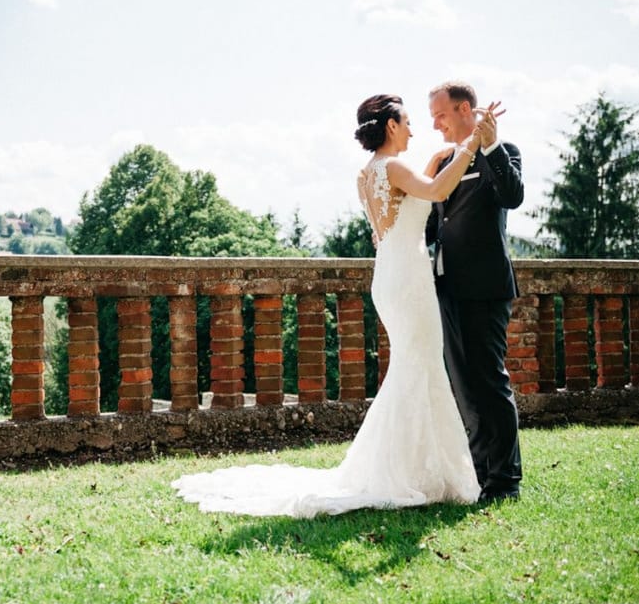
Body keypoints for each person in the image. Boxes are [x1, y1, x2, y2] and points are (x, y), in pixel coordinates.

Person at [172, 94, 493, 516]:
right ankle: (411, 472)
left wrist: (444, 154)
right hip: (409, 279)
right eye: (409, 122)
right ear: (392, 126)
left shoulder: (368, 173)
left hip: (391, 274)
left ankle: (420, 469)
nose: (414, 130)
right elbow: (433, 190)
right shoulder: (395, 167)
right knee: (420, 365)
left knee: (415, 366)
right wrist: (470, 146)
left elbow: (412, 196)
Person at [426, 81, 524, 503]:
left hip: (484, 287)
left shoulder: (503, 152)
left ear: (465, 109)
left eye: (441, 115)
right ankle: (482, 477)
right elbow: (434, 225)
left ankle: (505, 482)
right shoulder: (444, 161)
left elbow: (513, 195)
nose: (435, 125)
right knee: (463, 387)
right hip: (445, 287)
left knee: (488, 383)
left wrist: (491, 146)